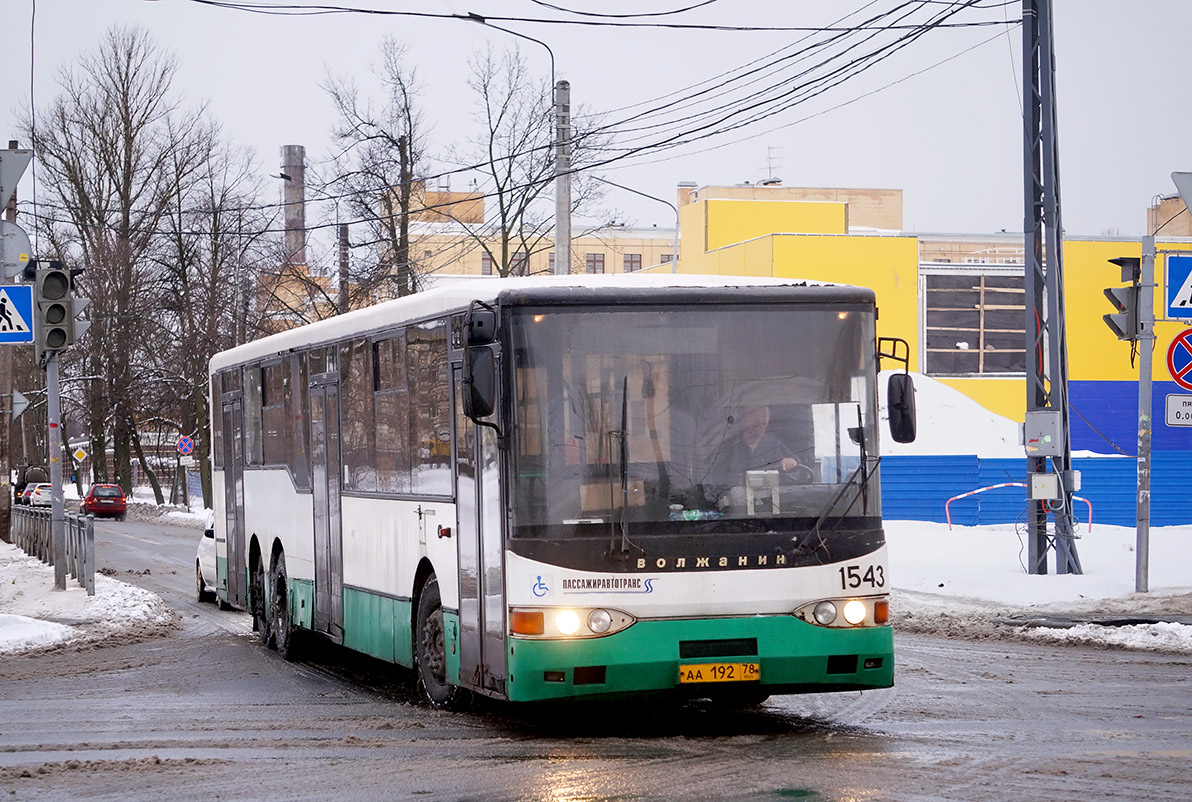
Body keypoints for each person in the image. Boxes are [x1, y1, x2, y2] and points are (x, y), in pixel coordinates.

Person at [707, 405, 800, 485]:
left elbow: (797, 467)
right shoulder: (728, 447)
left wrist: (791, 462)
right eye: (753, 414)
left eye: (764, 414)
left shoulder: (775, 444)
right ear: (742, 417)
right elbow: (716, 481)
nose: (759, 420)